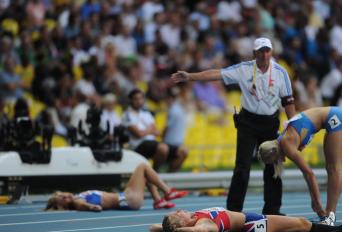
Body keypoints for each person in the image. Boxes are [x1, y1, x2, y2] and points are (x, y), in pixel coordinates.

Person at [171, 37, 296, 215]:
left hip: (270, 123)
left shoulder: (280, 72)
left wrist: (292, 127)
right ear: (254, 53)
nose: (264, 54)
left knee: (273, 167)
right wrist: (190, 76)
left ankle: (273, 210)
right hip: (248, 122)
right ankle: (234, 210)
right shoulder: (244, 69)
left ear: (272, 52)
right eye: (260, 51)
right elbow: (216, 74)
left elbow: (288, 101)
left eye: (267, 50)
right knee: (242, 168)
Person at [257, 106, 342, 226]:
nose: (279, 162)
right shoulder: (282, 139)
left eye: (274, 161)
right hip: (333, 117)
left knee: (334, 168)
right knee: (331, 168)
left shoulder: (287, 144)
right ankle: (327, 215)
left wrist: (315, 201)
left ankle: (330, 216)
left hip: (336, 118)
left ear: (273, 152)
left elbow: (309, 173)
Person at [45, 163, 189, 211]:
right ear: (62, 206)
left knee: (145, 174)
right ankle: (167, 192)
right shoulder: (77, 202)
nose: (65, 196)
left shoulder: (77, 197)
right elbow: (84, 205)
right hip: (128, 199)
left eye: (62, 194)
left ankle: (159, 200)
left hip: (125, 196)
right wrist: (92, 208)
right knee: (143, 167)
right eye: (62, 199)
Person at [149, 207, 342, 232]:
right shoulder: (201, 225)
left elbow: (154, 228)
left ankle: (331, 225)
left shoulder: (193, 218)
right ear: (184, 223)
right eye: (179, 213)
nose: (180, 210)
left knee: (297, 226)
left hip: (250, 217)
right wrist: (179, 230)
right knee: (301, 224)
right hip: (251, 225)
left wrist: (167, 228)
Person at [123, 88, 186, 172]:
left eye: (141, 98)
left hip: (151, 143)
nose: (139, 101)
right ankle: (155, 173)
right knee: (163, 148)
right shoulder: (127, 115)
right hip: (138, 144)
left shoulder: (146, 113)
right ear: (131, 100)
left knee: (183, 152)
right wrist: (149, 131)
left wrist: (146, 131)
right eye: (136, 99)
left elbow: (157, 132)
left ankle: (170, 175)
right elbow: (139, 134)